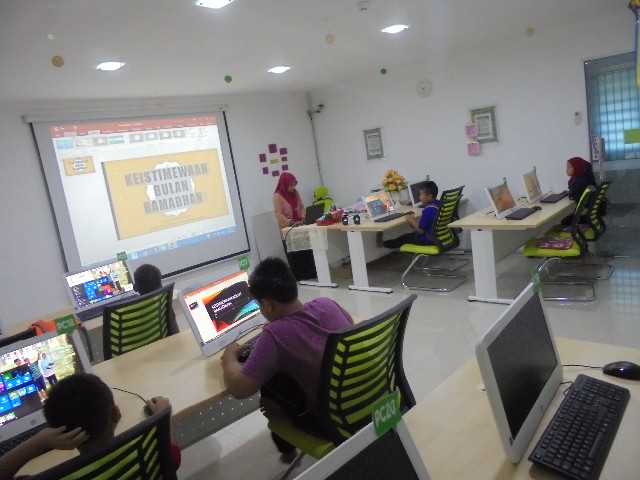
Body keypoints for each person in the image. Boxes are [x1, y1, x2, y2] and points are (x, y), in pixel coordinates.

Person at [221, 257, 353, 462]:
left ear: (268, 305)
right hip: (363, 399)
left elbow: (239, 389)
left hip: (333, 421)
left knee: (269, 390)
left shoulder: (275, 335)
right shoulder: (327, 304)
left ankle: (288, 449)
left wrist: (229, 358)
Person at [0, 373, 181, 480]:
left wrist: (39, 442)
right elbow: (173, 456)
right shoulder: (148, 455)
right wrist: (164, 415)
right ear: (116, 414)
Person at [273, 172, 317, 281]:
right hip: (288, 231)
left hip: (300, 228)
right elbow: (278, 214)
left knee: (306, 252)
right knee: (295, 257)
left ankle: (311, 275)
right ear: (285, 184)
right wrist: (291, 222)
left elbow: (302, 207)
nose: (293, 187)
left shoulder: (296, 193)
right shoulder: (277, 196)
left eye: (294, 184)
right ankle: (300, 278)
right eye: (291, 185)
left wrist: (303, 218)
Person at [376, 181, 440, 249]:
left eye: (421, 195)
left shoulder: (428, 210)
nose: (419, 197)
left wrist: (412, 220)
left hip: (427, 241)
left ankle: (382, 244)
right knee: (413, 234)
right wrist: (413, 222)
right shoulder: (439, 204)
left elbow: (421, 231)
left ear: (429, 196)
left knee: (404, 239)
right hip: (438, 238)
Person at [132, 263, 179, 336]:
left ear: (135, 288)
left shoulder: (129, 312)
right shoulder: (164, 304)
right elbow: (176, 332)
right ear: (160, 285)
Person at [561, 156, 598, 226]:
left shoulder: (581, 181)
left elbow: (574, 195)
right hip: (590, 210)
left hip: (584, 212)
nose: (566, 170)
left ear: (576, 167)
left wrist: (569, 194)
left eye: (569, 167)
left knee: (564, 222)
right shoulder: (586, 176)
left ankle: (576, 231)